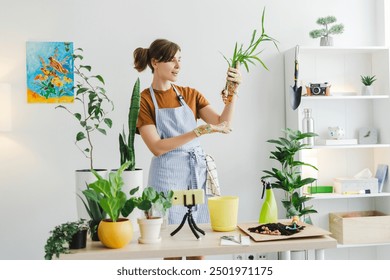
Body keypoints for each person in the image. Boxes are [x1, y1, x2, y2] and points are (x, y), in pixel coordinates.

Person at [134, 39, 241, 260]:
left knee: (198, 243)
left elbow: (223, 124)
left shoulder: (190, 94)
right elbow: (156, 147)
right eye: (172, 60)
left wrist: (233, 93)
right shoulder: (144, 99)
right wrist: (198, 132)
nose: (178, 66)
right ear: (155, 62)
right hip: (166, 178)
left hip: (194, 175)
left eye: (180, 60)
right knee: (170, 246)